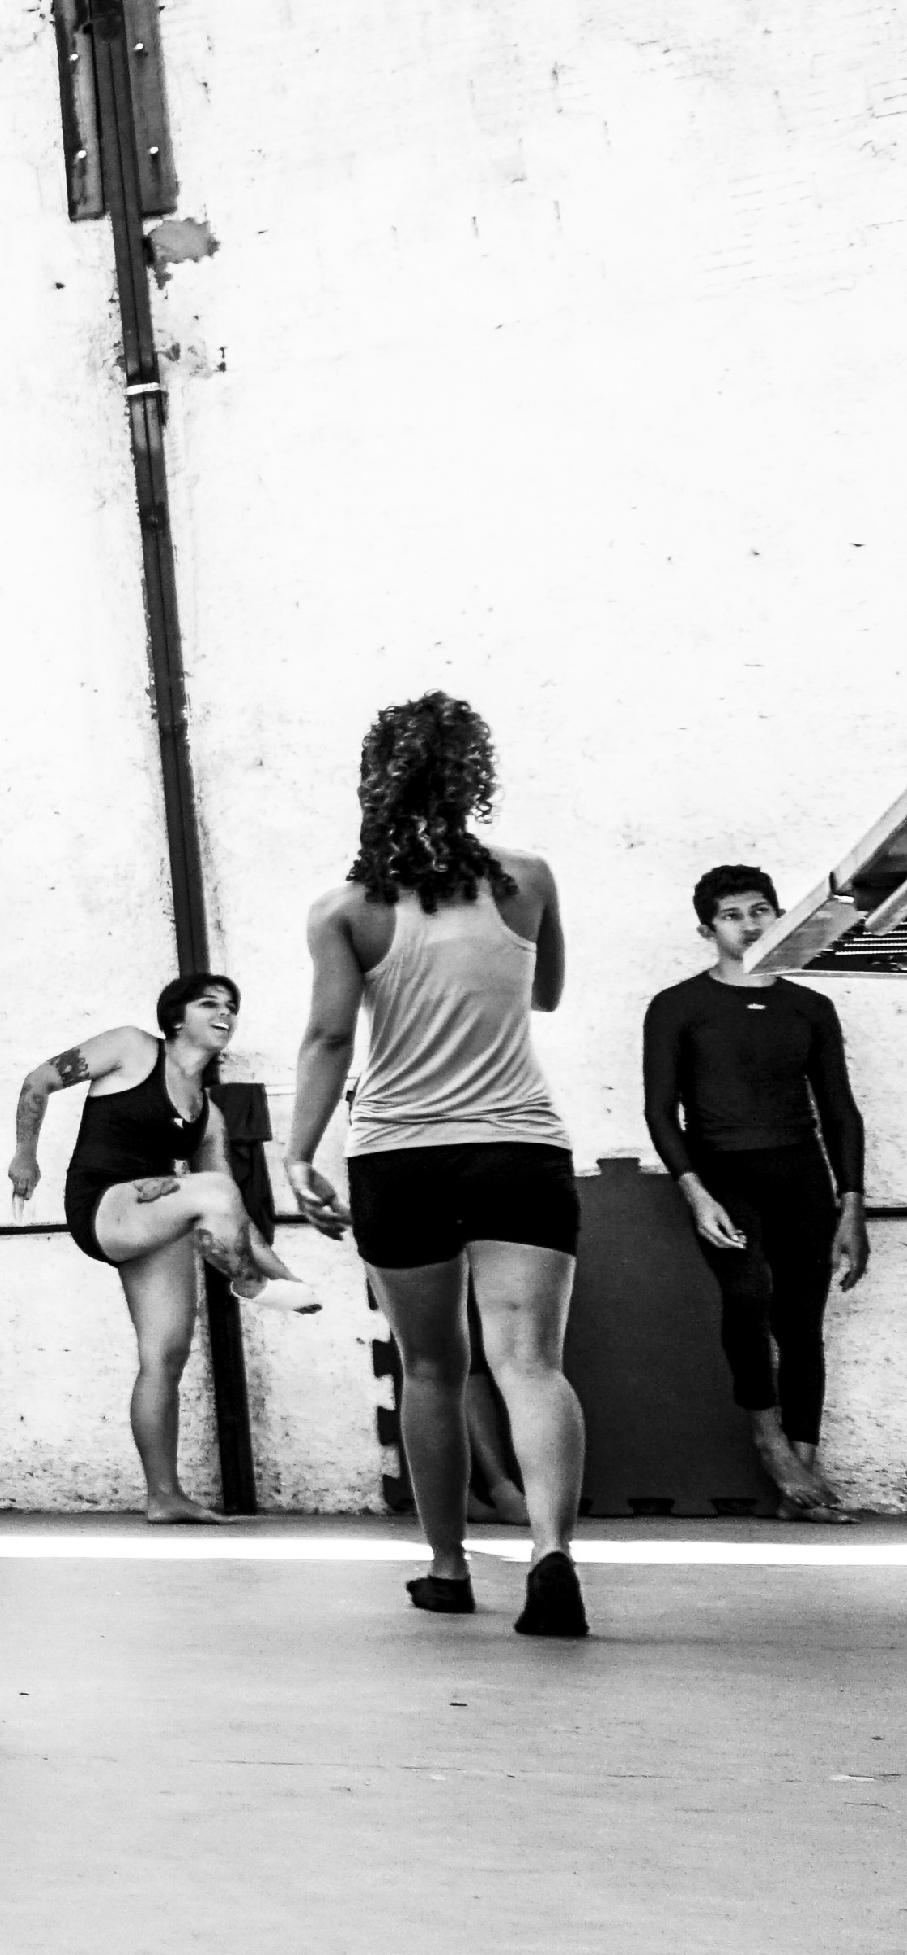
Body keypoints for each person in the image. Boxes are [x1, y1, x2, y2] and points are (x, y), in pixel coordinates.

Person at [282, 693, 591, 1636]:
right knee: (528, 1362)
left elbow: (329, 1037)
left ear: (375, 783)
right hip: (517, 1147)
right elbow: (545, 993)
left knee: (429, 1367)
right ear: (471, 778)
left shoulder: (345, 910)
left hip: (401, 1156)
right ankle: (551, 1554)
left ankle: (449, 1567)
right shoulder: (527, 879)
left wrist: (297, 1152)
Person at [6, 974, 321, 1525]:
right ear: (177, 1017)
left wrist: (291, 1281)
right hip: (105, 1204)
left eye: (232, 1007)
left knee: (165, 1357)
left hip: (156, 1215)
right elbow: (40, 1080)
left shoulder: (207, 1114)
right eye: (209, 1003)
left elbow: (233, 1213)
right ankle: (247, 1283)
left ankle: (164, 1496)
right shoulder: (132, 1048)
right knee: (212, 1189)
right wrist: (25, 1155)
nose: (225, 1013)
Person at [645, 863, 870, 1521]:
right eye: (732, 915)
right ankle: (770, 1441)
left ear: (778, 915)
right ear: (707, 930)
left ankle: (806, 1471)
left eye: (759, 910)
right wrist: (696, 1194)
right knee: (748, 1294)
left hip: (801, 1176)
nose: (748, 925)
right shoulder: (678, 1006)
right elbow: (661, 1111)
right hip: (722, 1175)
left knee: (802, 1322)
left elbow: (839, 1110)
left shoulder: (809, 1006)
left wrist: (852, 1206)